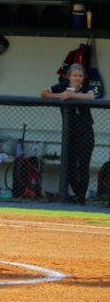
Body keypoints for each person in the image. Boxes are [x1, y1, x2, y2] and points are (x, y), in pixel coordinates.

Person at [41, 63, 95, 204]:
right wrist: (61, 95)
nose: (77, 78)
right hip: (69, 131)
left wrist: (72, 95)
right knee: (69, 164)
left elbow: (91, 97)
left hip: (85, 131)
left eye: (80, 76)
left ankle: (81, 197)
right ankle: (74, 193)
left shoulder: (85, 88)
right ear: (69, 76)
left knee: (83, 164)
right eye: (75, 75)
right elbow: (44, 93)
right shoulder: (63, 86)